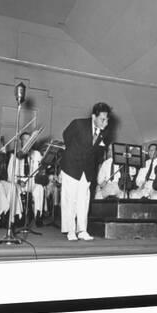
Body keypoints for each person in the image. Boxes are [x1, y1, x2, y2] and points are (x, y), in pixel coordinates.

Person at [60, 102, 111, 241]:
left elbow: (98, 153)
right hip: (71, 167)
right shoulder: (78, 124)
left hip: (87, 170)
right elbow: (66, 137)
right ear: (93, 116)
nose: (105, 123)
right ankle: (70, 230)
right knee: (70, 200)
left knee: (84, 200)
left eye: (107, 120)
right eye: (102, 119)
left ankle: (82, 230)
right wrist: (76, 154)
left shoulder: (104, 132)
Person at [8, 132, 45, 227]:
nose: (29, 142)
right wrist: (18, 181)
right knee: (14, 188)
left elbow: (42, 167)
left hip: (31, 181)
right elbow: (10, 173)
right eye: (26, 139)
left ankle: (38, 215)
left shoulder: (36, 154)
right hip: (19, 181)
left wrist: (43, 164)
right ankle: (18, 216)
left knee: (40, 188)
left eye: (30, 140)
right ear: (21, 141)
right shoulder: (15, 154)